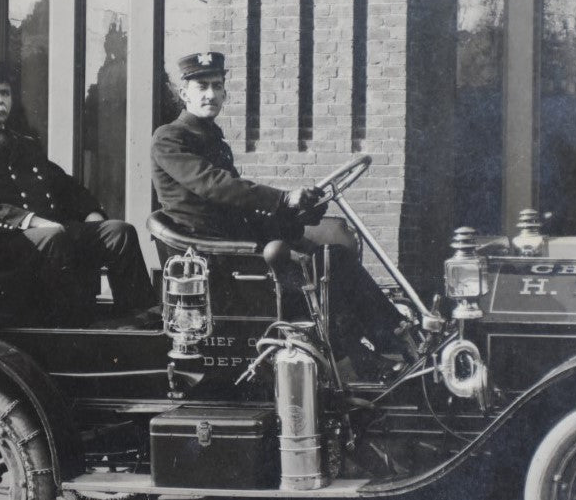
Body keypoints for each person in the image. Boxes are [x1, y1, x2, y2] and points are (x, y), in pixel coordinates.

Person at [151, 52, 408, 375]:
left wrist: (299, 214)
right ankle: (390, 349)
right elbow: (216, 187)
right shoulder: (170, 138)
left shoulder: (211, 137)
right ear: (183, 92)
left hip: (237, 252)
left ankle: (386, 350)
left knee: (331, 258)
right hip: (213, 263)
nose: (211, 94)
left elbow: (238, 210)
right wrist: (284, 199)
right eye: (202, 86)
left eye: (217, 86)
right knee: (327, 264)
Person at [0, 60, 157, 325]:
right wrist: (33, 221)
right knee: (54, 235)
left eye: (4, 93)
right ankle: (75, 329)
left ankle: (140, 320)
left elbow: (64, 185)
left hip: (47, 238)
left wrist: (91, 213)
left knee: (118, 232)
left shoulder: (24, 143)